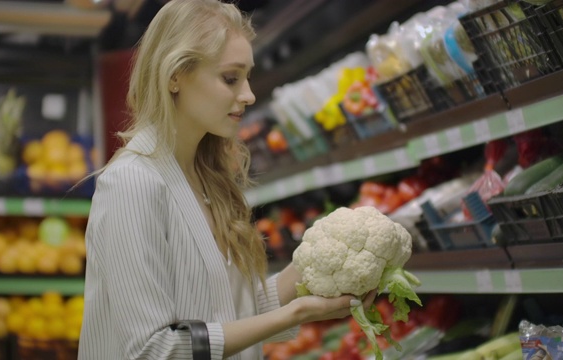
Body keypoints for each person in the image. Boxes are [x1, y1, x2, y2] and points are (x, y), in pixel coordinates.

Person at [78, 0, 376, 359]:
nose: (249, 94)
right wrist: (298, 312)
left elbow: (228, 313)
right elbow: (152, 349)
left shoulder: (206, 180)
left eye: (247, 77)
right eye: (230, 78)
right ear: (175, 76)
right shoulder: (133, 184)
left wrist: (313, 270)